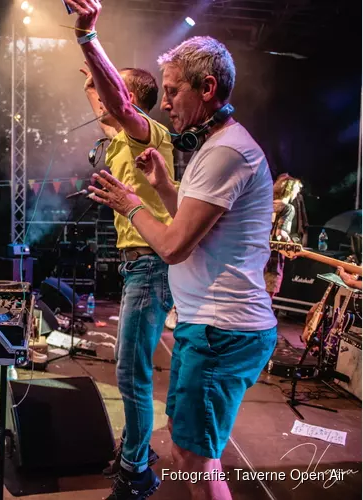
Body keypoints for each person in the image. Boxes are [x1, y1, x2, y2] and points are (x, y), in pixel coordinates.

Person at [84, 29, 277, 500]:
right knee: (190, 449)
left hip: (221, 328)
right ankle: (136, 465)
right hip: (205, 325)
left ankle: (133, 471)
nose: (166, 104)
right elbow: (194, 223)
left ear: (206, 89)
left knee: (192, 457)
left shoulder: (226, 151)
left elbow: (173, 246)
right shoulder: (215, 148)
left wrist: (131, 203)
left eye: (172, 91)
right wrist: (166, 187)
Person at [67, 1, 176, 488]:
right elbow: (103, 99)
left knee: (131, 373)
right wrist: (93, 75)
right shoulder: (117, 138)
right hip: (143, 266)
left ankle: (135, 470)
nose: (95, 93)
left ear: (128, 96)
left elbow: (116, 103)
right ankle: (134, 451)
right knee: (129, 368)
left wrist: (88, 37)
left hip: (152, 265)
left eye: (108, 85)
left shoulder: (146, 132)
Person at [264, 174, 303, 297]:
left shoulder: (265, 205)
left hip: (256, 257)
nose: (296, 194)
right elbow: (281, 233)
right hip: (273, 260)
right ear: (290, 190)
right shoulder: (288, 208)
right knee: (267, 300)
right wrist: (291, 245)